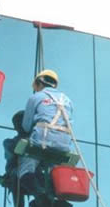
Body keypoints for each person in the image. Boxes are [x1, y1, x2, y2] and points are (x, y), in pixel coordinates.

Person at [19, 69, 73, 197]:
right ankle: (52, 196)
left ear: (39, 83)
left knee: (25, 168)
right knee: (53, 172)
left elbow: (26, 126)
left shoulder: (36, 97)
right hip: (63, 145)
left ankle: (39, 194)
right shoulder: (68, 101)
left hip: (42, 141)